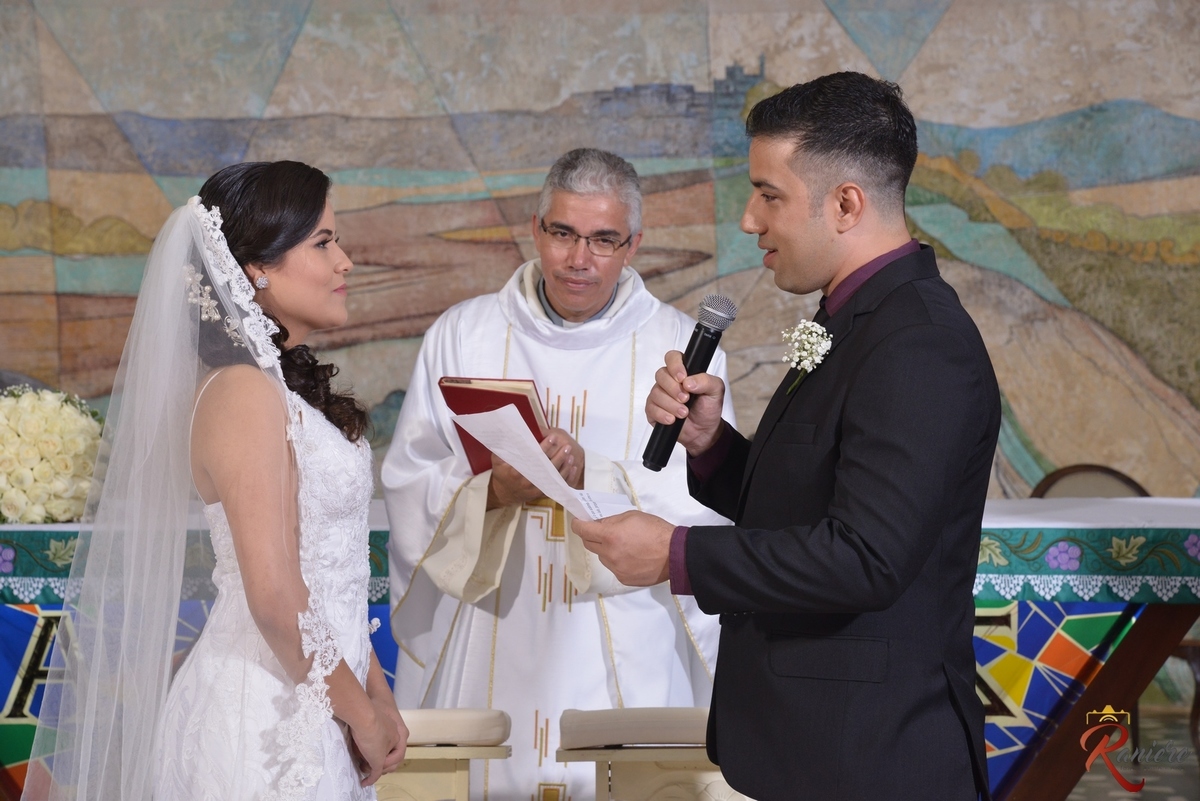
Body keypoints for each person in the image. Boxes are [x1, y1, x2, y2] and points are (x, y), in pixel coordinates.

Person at [574, 73, 1000, 801]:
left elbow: (865, 557)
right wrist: (713, 445)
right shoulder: (854, 319)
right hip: (812, 748)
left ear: (846, 204)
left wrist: (676, 554)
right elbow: (814, 501)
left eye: (768, 195)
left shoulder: (919, 342)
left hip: (871, 757)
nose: (749, 220)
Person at [24, 161, 407, 800]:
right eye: (322, 243)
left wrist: (376, 696)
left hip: (321, 702)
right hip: (261, 723)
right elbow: (276, 596)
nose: (345, 262)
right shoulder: (241, 393)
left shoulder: (278, 388)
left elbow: (330, 577)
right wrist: (364, 718)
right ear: (256, 268)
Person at [382, 148, 732, 800]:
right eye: (564, 233)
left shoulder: (681, 347)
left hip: (623, 628)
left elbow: (706, 503)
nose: (579, 259)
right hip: (493, 618)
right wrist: (492, 492)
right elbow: (408, 480)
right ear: (536, 230)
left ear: (633, 245)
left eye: (604, 240)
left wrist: (588, 472)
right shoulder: (463, 334)